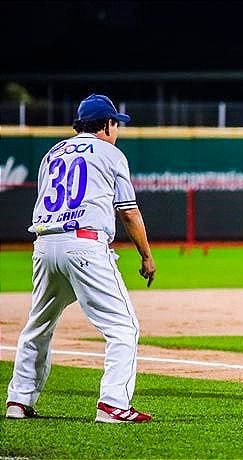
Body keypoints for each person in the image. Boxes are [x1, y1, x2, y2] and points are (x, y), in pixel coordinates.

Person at [6, 94, 158, 422]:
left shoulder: (52, 153)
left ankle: (18, 400)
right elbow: (128, 213)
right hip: (85, 244)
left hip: (45, 245)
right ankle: (113, 404)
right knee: (123, 327)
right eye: (115, 123)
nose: (116, 129)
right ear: (106, 124)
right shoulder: (111, 154)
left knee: (38, 325)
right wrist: (146, 255)